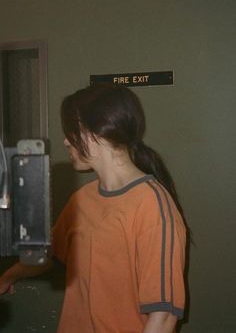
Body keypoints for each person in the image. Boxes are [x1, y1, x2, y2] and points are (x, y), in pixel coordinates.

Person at [0, 84, 186, 333]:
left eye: (72, 131)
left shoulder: (153, 207)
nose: (66, 141)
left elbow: (163, 319)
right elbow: (47, 256)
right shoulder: (82, 199)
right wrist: (8, 276)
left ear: (99, 132)